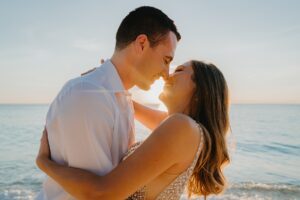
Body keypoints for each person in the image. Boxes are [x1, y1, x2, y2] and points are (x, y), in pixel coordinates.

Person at [36, 6, 181, 200]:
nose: (166, 73)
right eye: (166, 59)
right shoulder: (88, 95)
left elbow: (172, 128)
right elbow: (96, 195)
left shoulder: (119, 98)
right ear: (141, 44)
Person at [36, 60, 230, 199]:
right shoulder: (188, 131)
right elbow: (133, 105)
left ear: (200, 92)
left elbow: (101, 193)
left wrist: (45, 163)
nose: (168, 75)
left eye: (178, 70)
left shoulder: (182, 128)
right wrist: (108, 81)